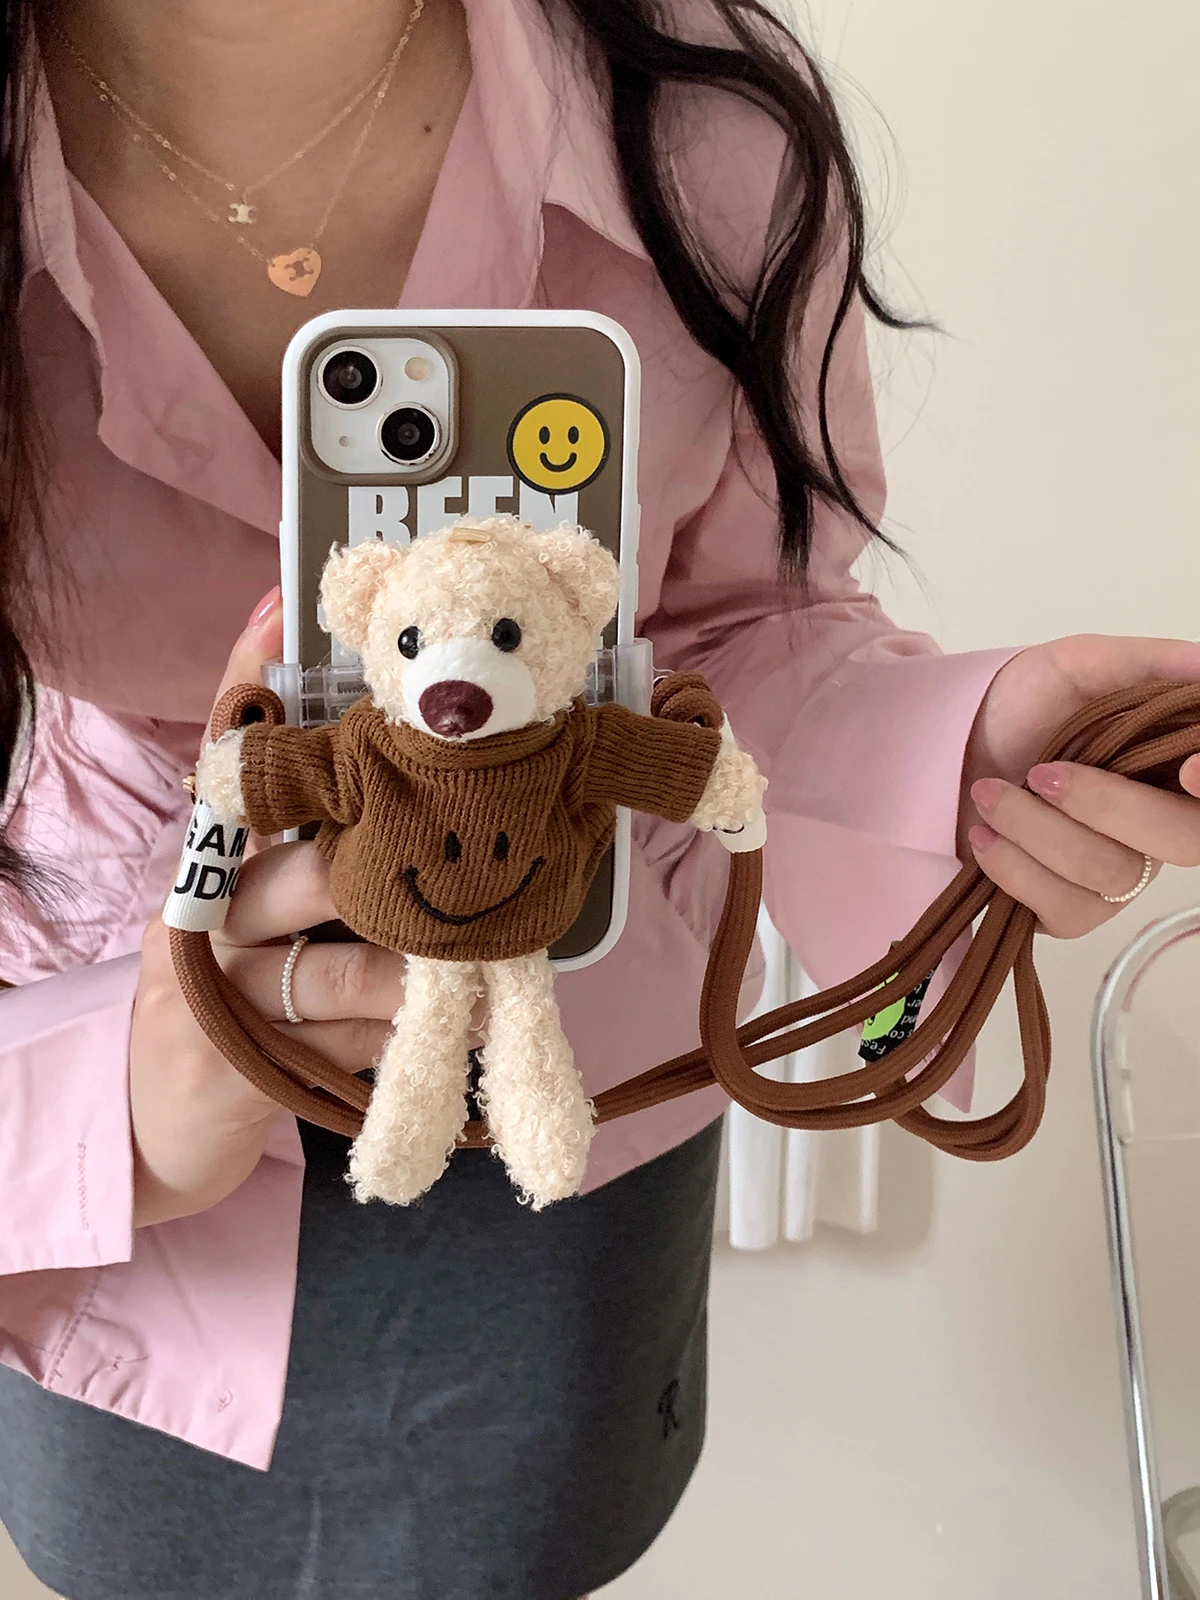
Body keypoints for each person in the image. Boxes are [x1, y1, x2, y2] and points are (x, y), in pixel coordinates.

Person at [1, 1, 1198, 1596]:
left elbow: (728, 634)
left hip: (566, 1120)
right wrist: (116, 1108)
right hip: (97, 1126)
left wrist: (960, 757)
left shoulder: (706, 128)